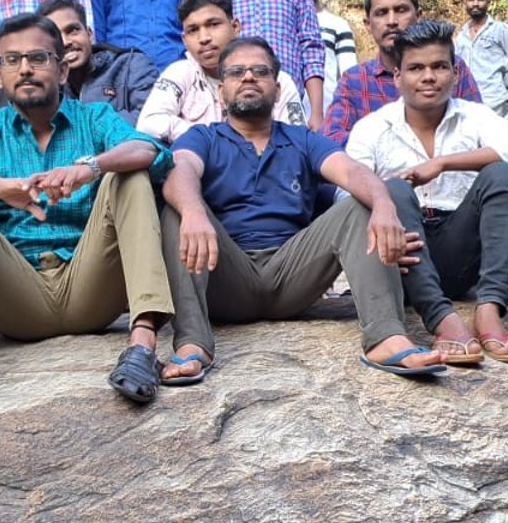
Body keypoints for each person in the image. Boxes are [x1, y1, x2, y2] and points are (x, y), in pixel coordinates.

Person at [0, 13, 176, 418]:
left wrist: (90, 167)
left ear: (62, 66)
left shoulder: (95, 117)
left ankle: (142, 346)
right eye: (12, 60)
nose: (25, 69)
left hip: (92, 290)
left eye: (38, 57)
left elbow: (152, 152)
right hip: (17, 297)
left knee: (130, 178)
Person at [162, 36, 449, 380]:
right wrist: (194, 213)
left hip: (292, 274)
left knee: (362, 205)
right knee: (178, 206)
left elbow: (352, 171)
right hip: (225, 275)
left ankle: (386, 337)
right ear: (221, 89)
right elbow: (181, 169)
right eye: (237, 72)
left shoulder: (302, 140)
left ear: (278, 88)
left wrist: (384, 205)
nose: (249, 77)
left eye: (261, 71)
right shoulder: (203, 137)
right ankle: (192, 344)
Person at [346, 21, 508, 365]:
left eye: (439, 66)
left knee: (503, 174)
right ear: (397, 78)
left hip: (460, 249)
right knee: (391, 190)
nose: (428, 76)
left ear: (455, 73)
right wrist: (383, 222)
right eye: (416, 68)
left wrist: (444, 163)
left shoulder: (474, 116)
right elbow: (343, 199)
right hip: (403, 258)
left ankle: (489, 310)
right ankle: (442, 320)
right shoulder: (372, 127)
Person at [324, 0, 484, 143]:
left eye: (401, 10)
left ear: (418, 16)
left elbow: (481, 130)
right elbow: (332, 140)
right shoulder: (354, 81)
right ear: (368, 24)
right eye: (381, 13)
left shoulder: (450, 68)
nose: (392, 21)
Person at [137, 0, 307, 143]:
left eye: (213, 25)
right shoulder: (180, 73)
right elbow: (148, 123)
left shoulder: (275, 80)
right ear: (184, 40)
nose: (204, 38)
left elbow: (298, 138)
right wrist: (213, 141)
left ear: (235, 27)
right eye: (193, 30)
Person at [39, 0, 158, 122]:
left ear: (89, 35)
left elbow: (152, 120)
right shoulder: (49, 91)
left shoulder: (131, 66)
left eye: (72, 30)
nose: (65, 42)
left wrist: (87, 130)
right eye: (56, 37)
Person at [287, 0, 360, 109]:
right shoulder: (282, 22)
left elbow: (350, 76)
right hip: (286, 113)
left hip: (327, 115)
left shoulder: (337, 25)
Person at [454, 0, 508, 116]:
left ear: (488, 2)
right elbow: (456, 68)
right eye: (471, 0)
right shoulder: (462, 35)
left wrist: (505, 83)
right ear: (466, 2)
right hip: (467, 104)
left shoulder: (500, 30)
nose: (475, 4)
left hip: (494, 103)